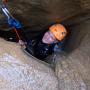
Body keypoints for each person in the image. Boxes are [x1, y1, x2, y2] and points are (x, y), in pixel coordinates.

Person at [0, 24, 67, 60]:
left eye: (51, 37)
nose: (47, 36)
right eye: (48, 33)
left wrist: (24, 46)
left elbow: (33, 58)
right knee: (15, 33)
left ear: (55, 42)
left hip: (31, 53)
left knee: (13, 38)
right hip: (30, 44)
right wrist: (19, 28)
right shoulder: (44, 35)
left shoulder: (46, 51)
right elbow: (33, 41)